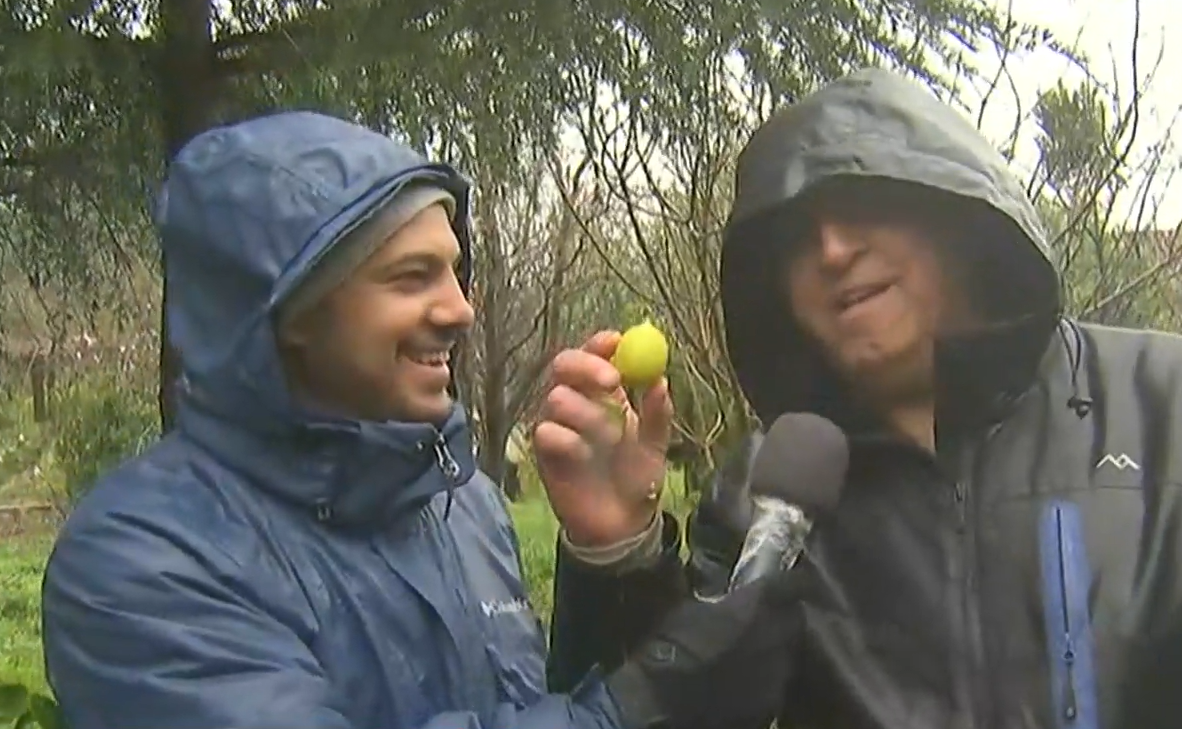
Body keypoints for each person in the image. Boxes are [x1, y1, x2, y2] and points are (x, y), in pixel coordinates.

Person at [39, 111, 810, 729]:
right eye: (412, 278)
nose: (460, 309)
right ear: (286, 311)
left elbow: (531, 708)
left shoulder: (458, 502)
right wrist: (641, 705)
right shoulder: (141, 565)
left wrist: (611, 561)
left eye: (453, 269)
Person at [538, 67, 1182, 729]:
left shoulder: (1162, 403)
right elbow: (674, 701)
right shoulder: (764, 493)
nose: (834, 248)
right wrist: (618, 558)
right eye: (795, 236)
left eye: (867, 203)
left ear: (956, 215)